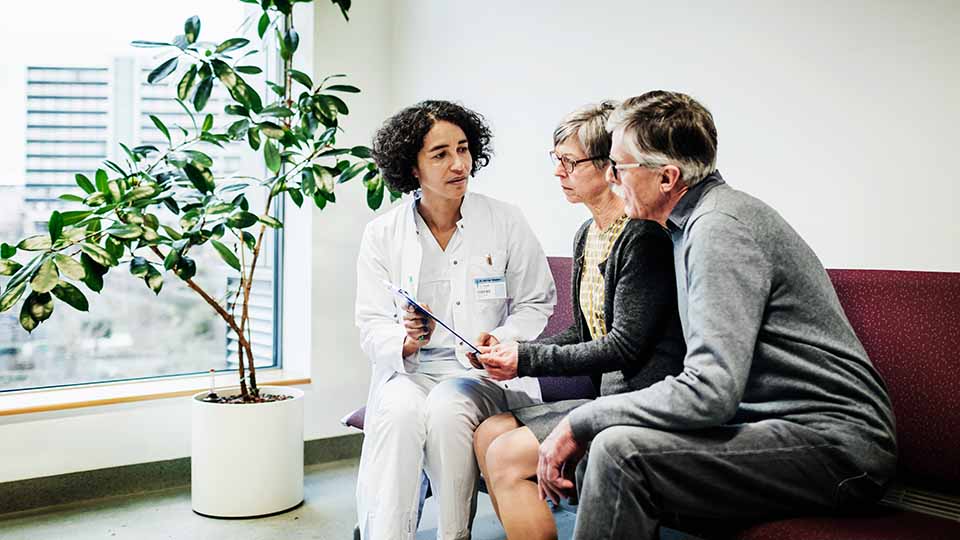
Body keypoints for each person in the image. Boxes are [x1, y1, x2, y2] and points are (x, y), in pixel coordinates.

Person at [536, 91, 898, 540]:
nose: (611, 178)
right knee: (606, 450)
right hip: (773, 428)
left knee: (618, 452)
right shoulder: (690, 227)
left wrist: (582, 420)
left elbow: (710, 391)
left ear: (667, 177)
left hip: (835, 446)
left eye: (619, 167)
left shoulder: (718, 230)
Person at [470, 101, 686, 540]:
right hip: (607, 401)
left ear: (610, 166)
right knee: (486, 433)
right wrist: (512, 351)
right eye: (558, 160)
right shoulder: (587, 234)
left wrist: (526, 360)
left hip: (641, 405)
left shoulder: (642, 237)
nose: (559, 172)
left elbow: (624, 346)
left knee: (505, 457)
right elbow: (587, 332)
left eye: (569, 161)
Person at [354, 100, 557, 540]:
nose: (458, 164)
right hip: (410, 371)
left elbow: (537, 301)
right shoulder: (383, 234)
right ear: (412, 167)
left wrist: (501, 339)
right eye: (440, 154)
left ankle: (454, 534)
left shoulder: (504, 220)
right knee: (398, 413)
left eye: (463, 149)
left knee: (448, 409)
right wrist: (404, 339)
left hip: (481, 375)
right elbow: (370, 321)